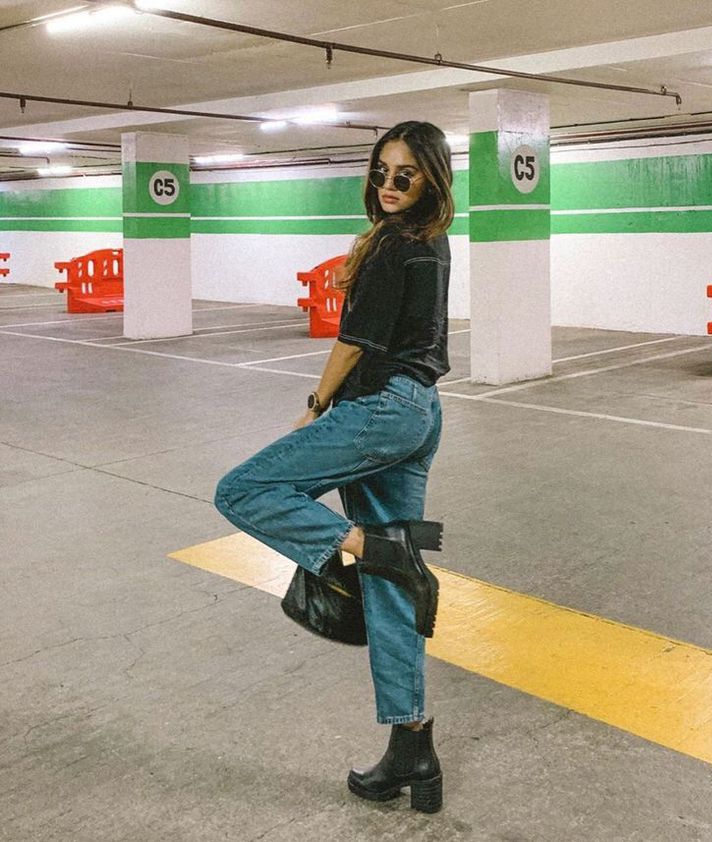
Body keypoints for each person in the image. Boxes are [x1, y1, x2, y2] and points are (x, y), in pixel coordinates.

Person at [214, 120, 454, 814]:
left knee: (244, 489)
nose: (387, 184)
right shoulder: (433, 242)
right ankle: (413, 750)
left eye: (404, 173)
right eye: (381, 170)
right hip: (420, 409)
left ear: (431, 177)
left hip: (380, 407)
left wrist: (317, 405)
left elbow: (354, 340)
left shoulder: (396, 245)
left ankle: (371, 547)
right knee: (388, 587)